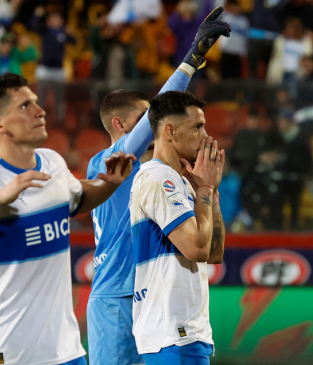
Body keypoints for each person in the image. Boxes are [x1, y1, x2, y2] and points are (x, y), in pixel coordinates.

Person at [0, 73, 136, 365]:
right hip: (5, 353)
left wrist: (109, 184)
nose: (40, 110)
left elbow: (77, 197)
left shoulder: (52, 162)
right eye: (25, 106)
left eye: (36, 102)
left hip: (65, 350)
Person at [86, 8, 230, 365]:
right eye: (143, 120)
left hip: (148, 298)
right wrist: (192, 59)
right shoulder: (110, 162)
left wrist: (206, 190)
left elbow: (209, 250)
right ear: (120, 127)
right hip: (117, 293)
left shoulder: (167, 172)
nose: (152, 124)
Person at [130, 90, 225, 363]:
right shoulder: (159, 178)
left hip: (187, 331)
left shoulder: (182, 181)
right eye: (197, 127)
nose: (205, 136)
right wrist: (204, 188)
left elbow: (213, 252)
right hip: (171, 333)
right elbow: (196, 248)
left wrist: (211, 195)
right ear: (169, 131)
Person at [29, 6, 76, 123]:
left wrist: (71, 33)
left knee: (60, 98)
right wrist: (37, 15)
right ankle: (40, 118)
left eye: (57, 19)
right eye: (52, 19)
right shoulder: (45, 31)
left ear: (61, 21)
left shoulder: (64, 33)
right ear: (49, 21)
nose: (55, 21)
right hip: (44, 69)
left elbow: (74, 42)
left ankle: (60, 121)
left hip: (58, 70)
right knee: (41, 97)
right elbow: (32, 26)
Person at [218, 0, 248, 79]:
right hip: (226, 51)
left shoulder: (244, 21)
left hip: (237, 52)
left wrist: (244, 51)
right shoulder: (225, 18)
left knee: (235, 76)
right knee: (224, 75)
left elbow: (245, 38)